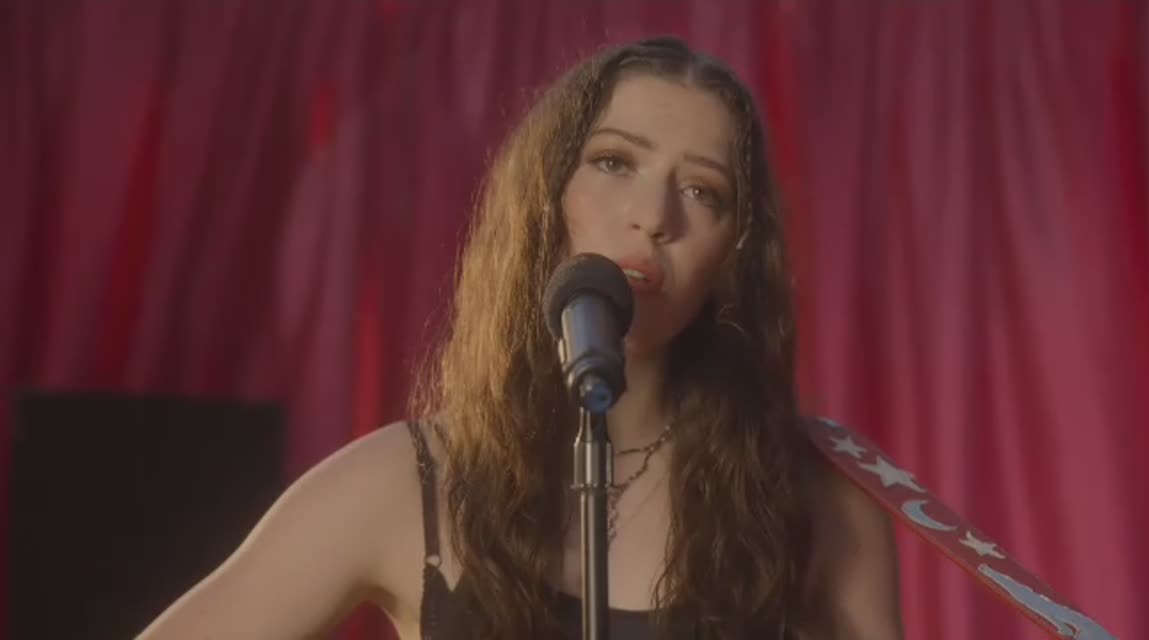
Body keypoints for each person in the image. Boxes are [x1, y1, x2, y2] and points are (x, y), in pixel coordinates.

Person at [139, 36, 902, 639]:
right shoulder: (404, 483)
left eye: (703, 190)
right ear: (544, 198)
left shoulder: (817, 505)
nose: (652, 216)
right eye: (614, 162)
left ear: (733, 254)